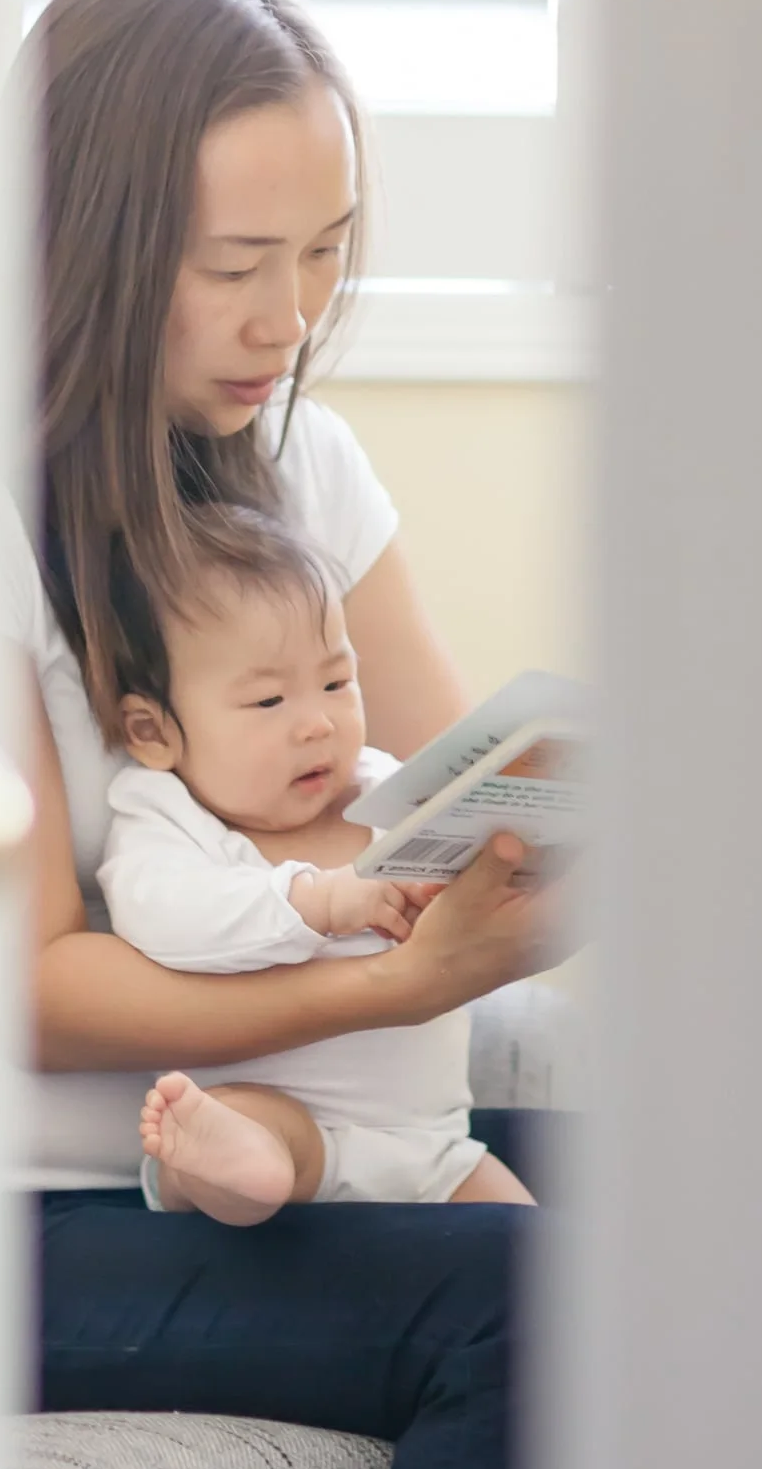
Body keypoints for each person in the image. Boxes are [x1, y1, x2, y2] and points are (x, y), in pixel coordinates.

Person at [10, 0, 562, 1469]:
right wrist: (385, 988)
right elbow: (25, 983)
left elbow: (437, 798)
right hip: (35, 1209)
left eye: (323, 254)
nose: (286, 319)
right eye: (232, 262)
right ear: (87, 241)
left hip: (303, 1149)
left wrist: (551, 863)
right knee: (536, 1301)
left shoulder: (301, 468)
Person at [95, 498, 535, 1220]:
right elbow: (164, 919)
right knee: (244, 1135)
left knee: (543, 1264)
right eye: (269, 700)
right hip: (282, 1122)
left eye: (336, 683)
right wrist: (322, 900)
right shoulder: (165, 816)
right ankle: (217, 1167)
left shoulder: (384, 790)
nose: (317, 722)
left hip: (430, 1148)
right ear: (151, 730)